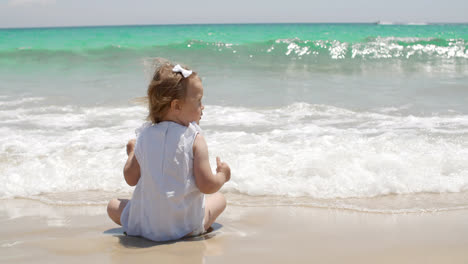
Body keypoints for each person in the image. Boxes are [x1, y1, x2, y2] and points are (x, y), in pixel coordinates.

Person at [107, 62, 231, 242]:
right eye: (198, 101)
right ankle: (191, 227)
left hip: (146, 226)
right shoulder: (195, 138)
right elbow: (206, 185)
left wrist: (132, 153)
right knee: (219, 198)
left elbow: (130, 178)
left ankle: (147, 224)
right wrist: (222, 175)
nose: (202, 107)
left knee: (113, 205)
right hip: (186, 227)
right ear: (176, 106)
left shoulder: (144, 135)